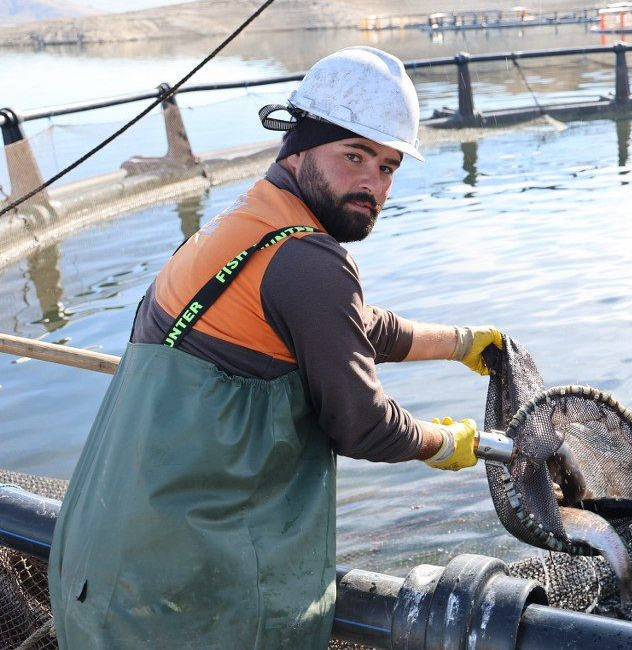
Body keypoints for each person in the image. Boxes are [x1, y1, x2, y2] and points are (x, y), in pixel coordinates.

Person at [47, 46, 501, 648]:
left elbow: (349, 325)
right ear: (300, 145)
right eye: (354, 155)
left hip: (100, 574)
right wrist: (450, 443)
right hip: (183, 610)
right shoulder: (309, 260)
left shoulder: (241, 226)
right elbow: (363, 427)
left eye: (388, 166)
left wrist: (461, 343)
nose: (372, 183)